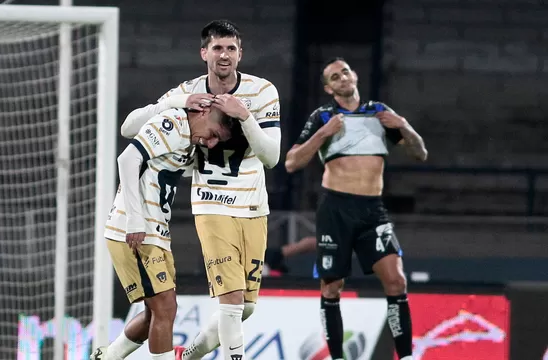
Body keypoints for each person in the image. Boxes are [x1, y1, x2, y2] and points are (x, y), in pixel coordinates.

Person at [120, 19, 282, 360]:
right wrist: (170, 104)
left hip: (254, 207)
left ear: (241, 54)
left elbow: (271, 157)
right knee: (232, 304)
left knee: (246, 308)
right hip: (212, 204)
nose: (224, 56)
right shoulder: (189, 91)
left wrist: (244, 116)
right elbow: (128, 128)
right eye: (218, 48)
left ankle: (187, 355)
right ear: (204, 53)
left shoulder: (262, 92)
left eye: (231, 49)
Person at [285, 57, 428, 360]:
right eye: (334, 77)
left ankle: (406, 356)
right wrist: (323, 134)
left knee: (396, 280)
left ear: (355, 76)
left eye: (345, 72)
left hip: (372, 209)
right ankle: (337, 357)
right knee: (331, 287)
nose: (342, 78)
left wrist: (404, 125)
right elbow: (292, 162)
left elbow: (420, 153)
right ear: (328, 87)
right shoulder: (323, 117)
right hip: (336, 207)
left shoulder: (380, 114)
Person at [91, 105, 233, 360]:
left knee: (153, 314)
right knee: (165, 307)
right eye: (212, 133)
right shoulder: (173, 122)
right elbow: (127, 159)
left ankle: (107, 357)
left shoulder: (191, 141)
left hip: (156, 232)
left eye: (217, 140)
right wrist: (135, 220)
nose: (211, 143)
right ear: (202, 113)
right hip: (136, 229)